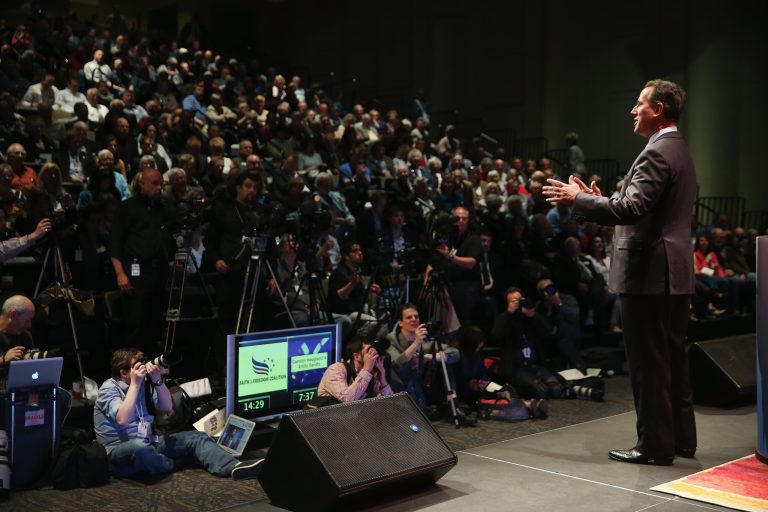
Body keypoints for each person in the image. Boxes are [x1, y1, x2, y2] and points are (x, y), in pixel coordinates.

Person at [544, 79, 697, 465]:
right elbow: (640, 207)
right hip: (672, 272)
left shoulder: (655, 153)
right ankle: (680, 438)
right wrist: (594, 197)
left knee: (648, 364)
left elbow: (630, 210)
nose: (633, 110)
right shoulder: (679, 149)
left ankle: (654, 446)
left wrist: (578, 198)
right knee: (672, 360)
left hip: (648, 274)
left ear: (658, 109)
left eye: (639, 103)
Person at [93, 347, 262, 479]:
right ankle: (170, 464)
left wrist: (158, 381)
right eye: (137, 366)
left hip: (149, 443)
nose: (142, 370)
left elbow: (166, 407)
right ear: (123, 372)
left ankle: (233, 467)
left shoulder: (145, 384)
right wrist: (135, 385)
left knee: (197, 437)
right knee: (140, 447)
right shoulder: (109, 388)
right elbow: (122, 419)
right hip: (118, 454)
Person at [316, 336, 392, 403]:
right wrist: (366, 370)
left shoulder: (372, 374)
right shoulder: (336, 369)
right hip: (329, 417)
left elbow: (388, 406)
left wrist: (383, 381)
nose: (374, 354)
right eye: (369, 351)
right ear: (356, 356)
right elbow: (348, 399)